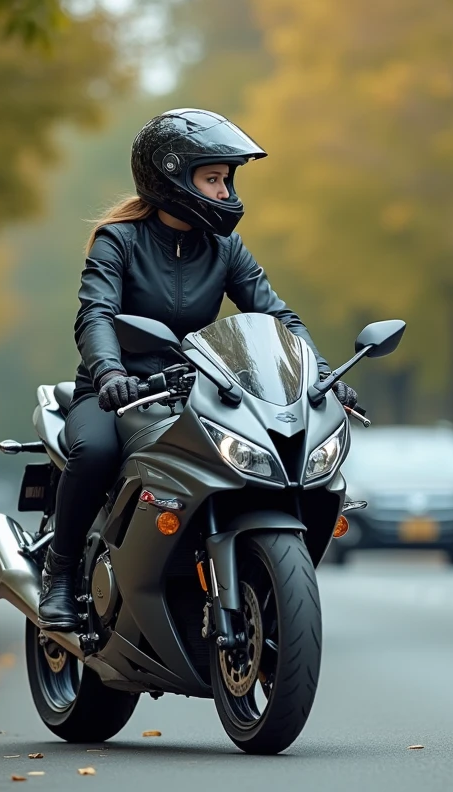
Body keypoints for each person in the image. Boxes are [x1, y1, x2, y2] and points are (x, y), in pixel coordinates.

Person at [39, 108, 359, 630]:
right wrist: (110, 374)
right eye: (213, 179)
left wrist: (320, 376)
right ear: (172, 177)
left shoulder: (225, 247)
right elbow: (95, 314)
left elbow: (277, 317)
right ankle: (61, 574)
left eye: (227, 179)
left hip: (197, 389)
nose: (224, 191)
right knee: (95, 451)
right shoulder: (119, 240)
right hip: (118, 391)